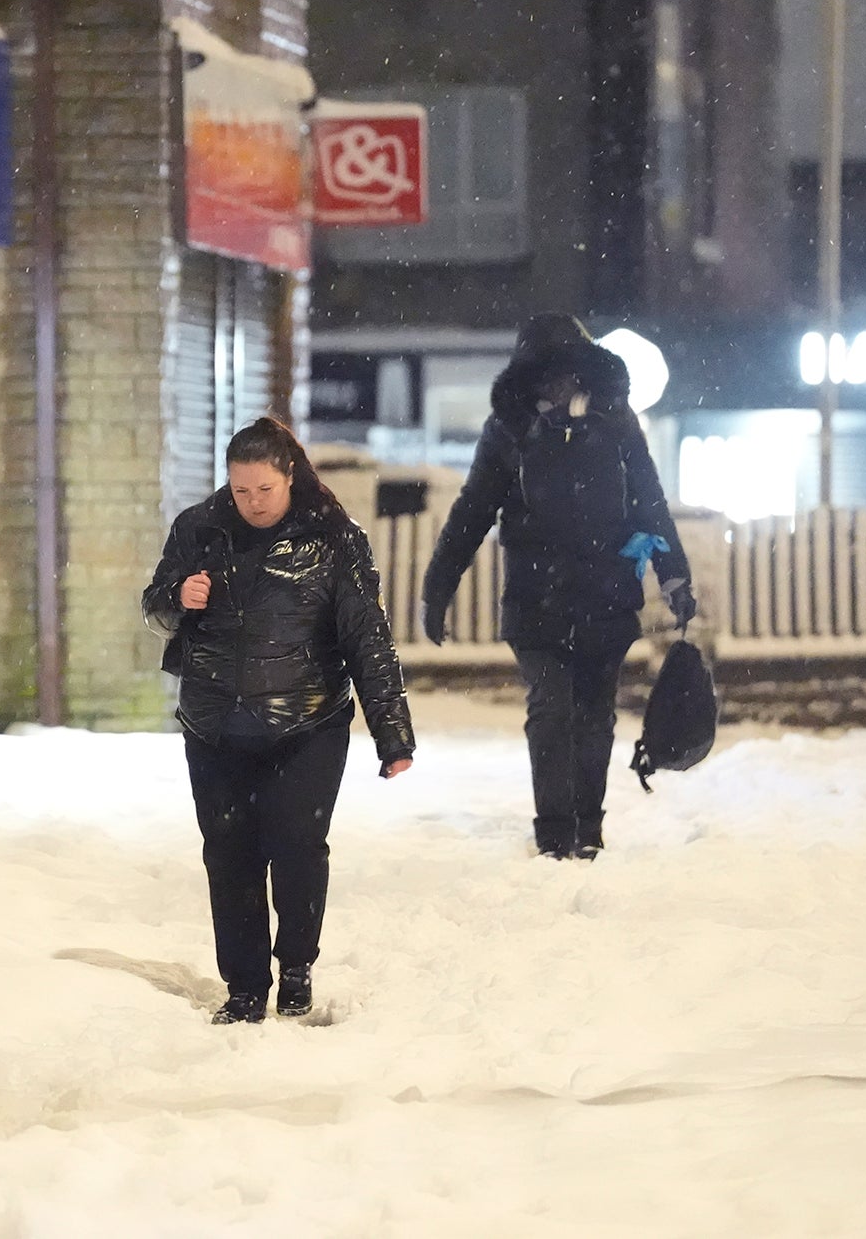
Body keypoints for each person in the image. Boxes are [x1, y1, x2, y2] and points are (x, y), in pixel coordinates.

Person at [144, 417, 416, 1025]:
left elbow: (369, 639)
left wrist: (393, 734)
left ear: (289, 475)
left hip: (308, 725)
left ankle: (296, 965)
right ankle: (244, 987)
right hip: (215, 726)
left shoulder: (333, 538)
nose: (253, 502)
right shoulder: (198, 529)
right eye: (241, 490)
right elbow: (155, 606)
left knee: (296, 848)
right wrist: (174, 598)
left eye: (264, 489)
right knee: (229, 855)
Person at [420, 313, 694, 861]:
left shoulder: (617, 423)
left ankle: (587, 829)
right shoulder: (509, 431)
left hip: (607, 597)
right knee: (552, 708)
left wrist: (674, 576)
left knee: (594, 713)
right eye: (545, 376)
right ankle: (553, 834)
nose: (558, 385)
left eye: (568, 373)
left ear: (587, 371)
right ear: (529, 379)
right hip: (535, 602)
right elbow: (473, 509)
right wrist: (438, 585)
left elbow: (648, 501)